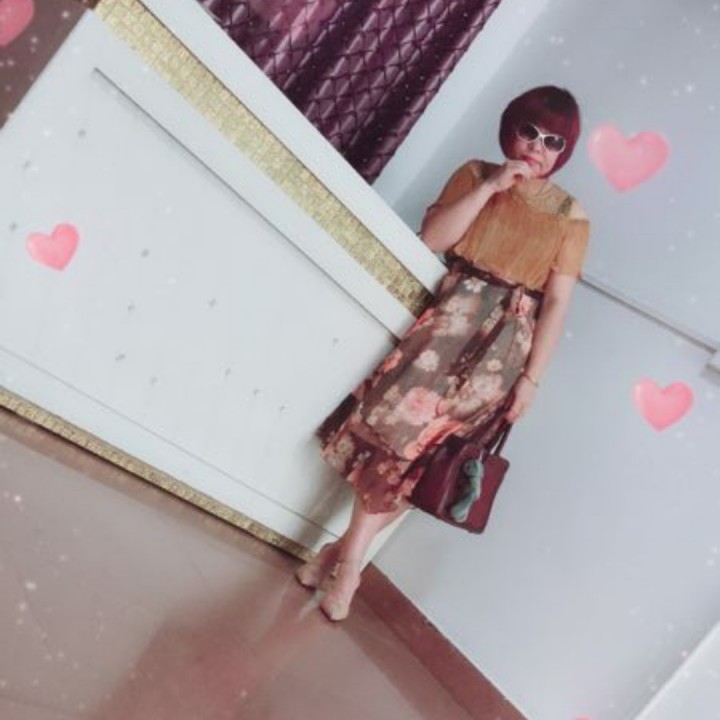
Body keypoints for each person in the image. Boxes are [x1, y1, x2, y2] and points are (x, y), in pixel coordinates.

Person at [296, 85, 590, 621]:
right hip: (445, 328)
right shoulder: (475, 174)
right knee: (392, 444)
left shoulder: (572, 217)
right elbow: (433, 237)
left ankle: (342, 560)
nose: (537, 147)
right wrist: (494, 186)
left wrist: (531, 380)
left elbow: (557, 305)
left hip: (504, 353)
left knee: (430, 461)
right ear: (510, 129)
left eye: (554, 142)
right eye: (529, 132)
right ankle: (351, 567)